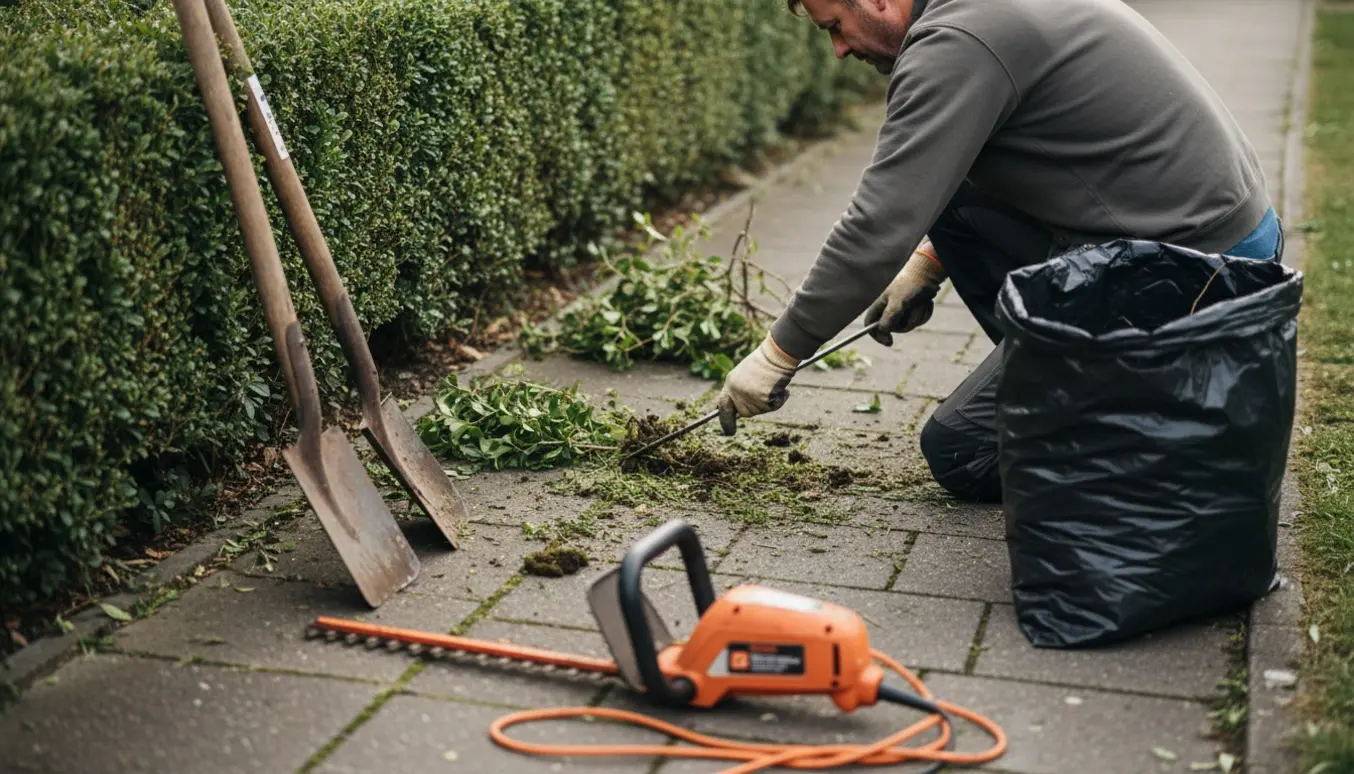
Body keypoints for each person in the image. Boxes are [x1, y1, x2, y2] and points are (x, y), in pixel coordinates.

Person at [716, 0, 1285, 502]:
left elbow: (875, 227)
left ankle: (1154, 420)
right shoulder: (973, 13)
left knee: (961, 449)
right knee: (946, 201)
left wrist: (777, 355)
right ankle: (1076, 381)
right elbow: (959, 181)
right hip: (1205, 236)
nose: (839, 50)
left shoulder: (954, 45)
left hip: (1194, 274)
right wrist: (929, 262)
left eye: (835, 26)